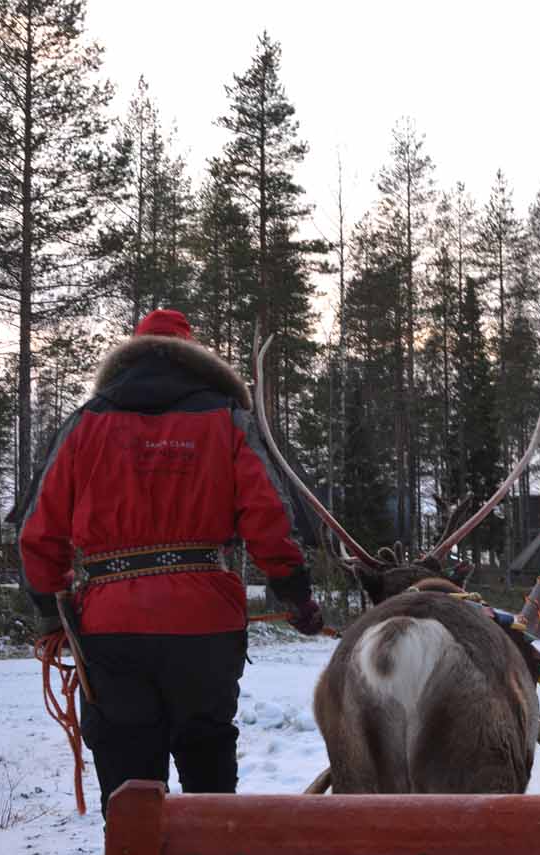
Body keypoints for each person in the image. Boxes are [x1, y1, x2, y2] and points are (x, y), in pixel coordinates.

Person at [18, 308, 323, 814]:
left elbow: (39, 532)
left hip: (111, 626)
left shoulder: (85, 423)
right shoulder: (228, 419)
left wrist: (53, 614)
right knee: (208, 760)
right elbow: (269, 516)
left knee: (129, 776)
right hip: (205, 623)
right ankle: (214, 854)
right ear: (194, 356)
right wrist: (294, 594)